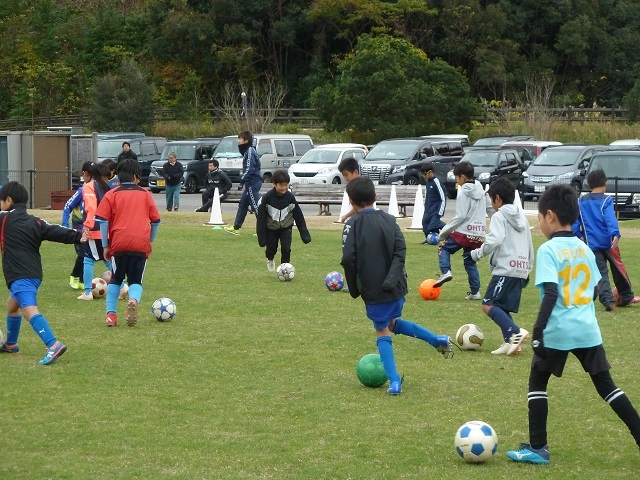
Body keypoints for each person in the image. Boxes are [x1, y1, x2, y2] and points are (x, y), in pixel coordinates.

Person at [506, 184, 640, 464]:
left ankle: (538, 448)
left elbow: (552, 293)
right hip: (588, 329)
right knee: (608, 387)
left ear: (550, 216)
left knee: (537, 383)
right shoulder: (584, 248)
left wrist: (539, 331)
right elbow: (593, 291)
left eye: (539, 217)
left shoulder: (548, 250)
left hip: (557, 330)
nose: (539, 223)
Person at [341, 176, 453, 395]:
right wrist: (392, 279)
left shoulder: (351, 225)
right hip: (397, 286)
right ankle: (436, 340)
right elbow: (400, 251)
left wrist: (355, 287)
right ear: (375, 197)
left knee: (382, 329)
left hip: (374, 288)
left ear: (350, 200)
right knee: (392, 323)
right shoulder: (391, 220)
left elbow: (348, 258)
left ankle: (394, 382)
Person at [0, 181, 87, 365]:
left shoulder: (4, 219)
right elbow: (55, 231)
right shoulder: (35, 221)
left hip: (20, 275)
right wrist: (78, 236)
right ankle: (11, 344)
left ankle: (52, 344)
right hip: (33, 273)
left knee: (29, 310)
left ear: (9, 200)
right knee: (12, 306)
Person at [470, 177, 533, 355]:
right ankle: (510, 343)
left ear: (497, 198)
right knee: (502, 306)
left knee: (488, 304)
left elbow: (495, 240)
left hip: (506, 268)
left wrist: (478, 253)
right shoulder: (523, 218)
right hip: (521, 268)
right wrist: (528, 267)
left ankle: (515, 332)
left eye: (491, 199)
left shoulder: (499, 216)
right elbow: (529, 244)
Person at [95, 159, 161, 327]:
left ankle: (111, 316)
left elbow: (102, 221)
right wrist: (150, 239)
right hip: (140, 243)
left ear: (117, 175)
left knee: (116, 279)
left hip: (119, 243)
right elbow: (156, 221)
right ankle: (133, 299)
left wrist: (105, 245)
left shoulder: (112, 194)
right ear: (135, 177)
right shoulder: (146, 194)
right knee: (136, 281)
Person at [572, 169, 640, 311]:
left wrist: (579, 235)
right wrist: (615, 234)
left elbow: (574, 222)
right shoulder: (606, 200)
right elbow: (610, 218)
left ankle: (608, 301)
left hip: (591, 245)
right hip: (610, 243)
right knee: (619, 269)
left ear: (589, 185)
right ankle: (626, 296)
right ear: (605, 183)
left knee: (601, 273)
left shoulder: (580, 202)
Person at [433, 161, 491, 299]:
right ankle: (475, 292)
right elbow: (489, 208)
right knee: (470, 260)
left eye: (457, 178)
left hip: (464, 231)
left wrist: (444, 232)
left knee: (444, 249)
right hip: (478, 233)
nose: (457, 181)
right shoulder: (480, 188)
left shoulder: (463, 191)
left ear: (463, 177)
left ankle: (445, 271)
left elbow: (460, 216)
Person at [256, 169, 311, 271]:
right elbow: (261, 219)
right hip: (271, 227)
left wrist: (304, 234)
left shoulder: (290, 197)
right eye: (281, 185)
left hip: (286, 226)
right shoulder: (267, 198)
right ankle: (270, 258)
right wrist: (261, 237)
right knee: (271, 249)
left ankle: (284, 268)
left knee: (286, 248)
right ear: (274, 184)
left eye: (286, 185)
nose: (284, 188)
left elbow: (298, 215)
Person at [77, 162, 113, 301]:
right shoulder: (106, 187)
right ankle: (122, 287)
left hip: (95, 230)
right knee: (107, 258)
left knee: (88, 259)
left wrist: (87, 227)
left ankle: (87, 293)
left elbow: (91, 209)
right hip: (107, 229)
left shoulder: (89, 186)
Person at [224, 131, 262, 234]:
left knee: (256, 206)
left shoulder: (250, 151)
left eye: (240, 139)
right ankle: (236, 227)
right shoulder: (247, 151)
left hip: (253, 182)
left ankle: (264, 229)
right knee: (243, 204)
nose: (238, 141)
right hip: (250, 183)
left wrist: (242, 180)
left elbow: (249, 169)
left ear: (246, 140)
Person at [62, 186, 85, 290]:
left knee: (88, 255)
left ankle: (82, 280)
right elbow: (67, 206)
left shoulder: (101, 189)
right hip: (79, 228)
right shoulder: (82, 190)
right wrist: (65, 226)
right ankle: (75, 276)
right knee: (83, 253)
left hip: (91, 229)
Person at [420, 162, 446, 244]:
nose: (424, 176)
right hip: (428, 210)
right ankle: (429, 239)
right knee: (425, 223)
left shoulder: (436, 182)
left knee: (434, 224)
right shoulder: (428, 182)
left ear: (430, 172)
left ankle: (450, 230)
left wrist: (440, 212)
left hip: (436, 210)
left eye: (425, 174)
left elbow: (443, 198)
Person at [337, 157, 360, 223]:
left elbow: (358, 207)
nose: (345, 178)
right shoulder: (352, 186)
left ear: (355, 172)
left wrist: (346, 216)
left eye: (346, 175)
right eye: (343, 175)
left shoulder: (359, 187)